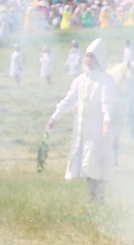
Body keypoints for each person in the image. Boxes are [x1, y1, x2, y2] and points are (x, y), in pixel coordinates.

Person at [46, 38, 116, 202]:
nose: (88, 60)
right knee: (86, 164)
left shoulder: (105, 79)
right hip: (83, 131)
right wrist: (54, 117)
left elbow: (107, 104)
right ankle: (92, 197)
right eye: (87, 56)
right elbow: (69, 100)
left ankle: (100, 197)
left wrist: (106, 121)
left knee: (97, 163)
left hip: (98, 130)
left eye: (92, 57)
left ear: (98, 59)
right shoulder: (80, 79)